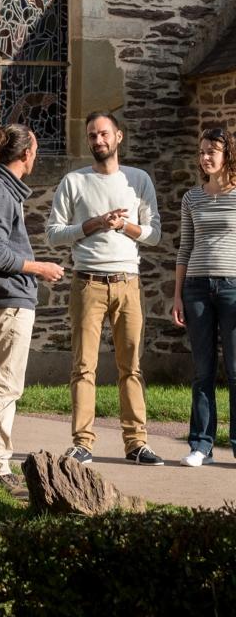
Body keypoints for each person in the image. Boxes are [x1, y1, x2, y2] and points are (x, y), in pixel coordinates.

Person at [46, 110, 163, 465]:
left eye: (103, 134)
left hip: (127, 284)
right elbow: (53, 234)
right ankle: (83, 443)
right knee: (83, 367)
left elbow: (154, 234)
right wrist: (94, 224)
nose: (98, 141)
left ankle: (136, 443)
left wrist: (124, 226)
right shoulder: (74, 181)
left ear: (118, 137)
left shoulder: (138, 180)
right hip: (88, 284)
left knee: (132, 367)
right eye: (92, 136)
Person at [0, 124, 63, 490]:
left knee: (6, 385)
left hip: (10, 298)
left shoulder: (4, 189)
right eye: (36, 150)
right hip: (8, 300)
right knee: (5, 386)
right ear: (26, 155)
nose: (36, 157)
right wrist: (38, 267)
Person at [172, 125, 236, 467]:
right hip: (196, 287)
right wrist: (178, 296)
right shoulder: (191, 198)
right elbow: (185, 248)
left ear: (227, 155)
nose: (205, 157)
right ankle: (201, 446)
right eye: (201, 152)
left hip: (232, 287)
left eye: (212, 151)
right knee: (203, 370)